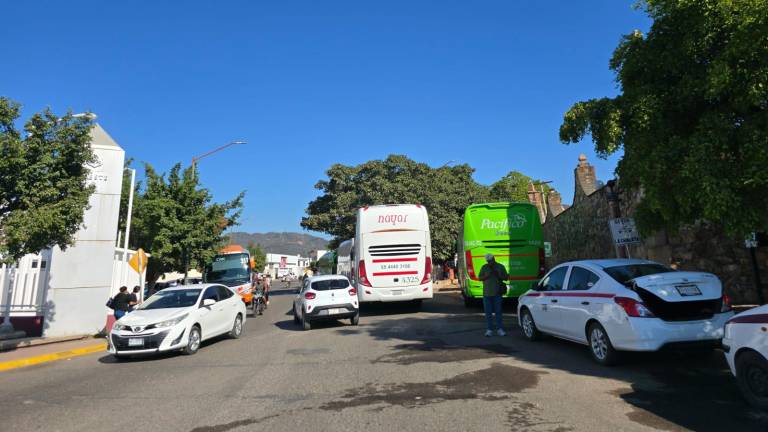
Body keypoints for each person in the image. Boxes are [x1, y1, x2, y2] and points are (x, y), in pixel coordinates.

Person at [478, 254, 508, 337]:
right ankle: (489, 330)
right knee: (488, 313)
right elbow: (479, 278)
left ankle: (500, 329)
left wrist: (498, 275)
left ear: (494, 258)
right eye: (488, 261)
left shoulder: (500, 266)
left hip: (497, 293)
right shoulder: (484, 267)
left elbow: (506, 277)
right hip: (486, 294)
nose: (489, 262)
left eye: (490, 260)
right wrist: (487, 276)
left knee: (498, 312)